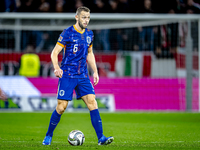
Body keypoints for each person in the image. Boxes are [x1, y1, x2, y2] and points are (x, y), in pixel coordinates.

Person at [42, 6, 114, 146]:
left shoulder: (90, 34)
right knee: (61, 107)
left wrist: (95, 71)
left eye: (88, 17)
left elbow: (90, 53)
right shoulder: (67, 33)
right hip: (68, 75)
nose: (86, 20)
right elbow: (54, 53)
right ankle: (48, 135)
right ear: (77, 17)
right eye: (83, 17)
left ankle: (101, 138)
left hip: (83, 75)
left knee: (92, 102)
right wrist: (56, 68)